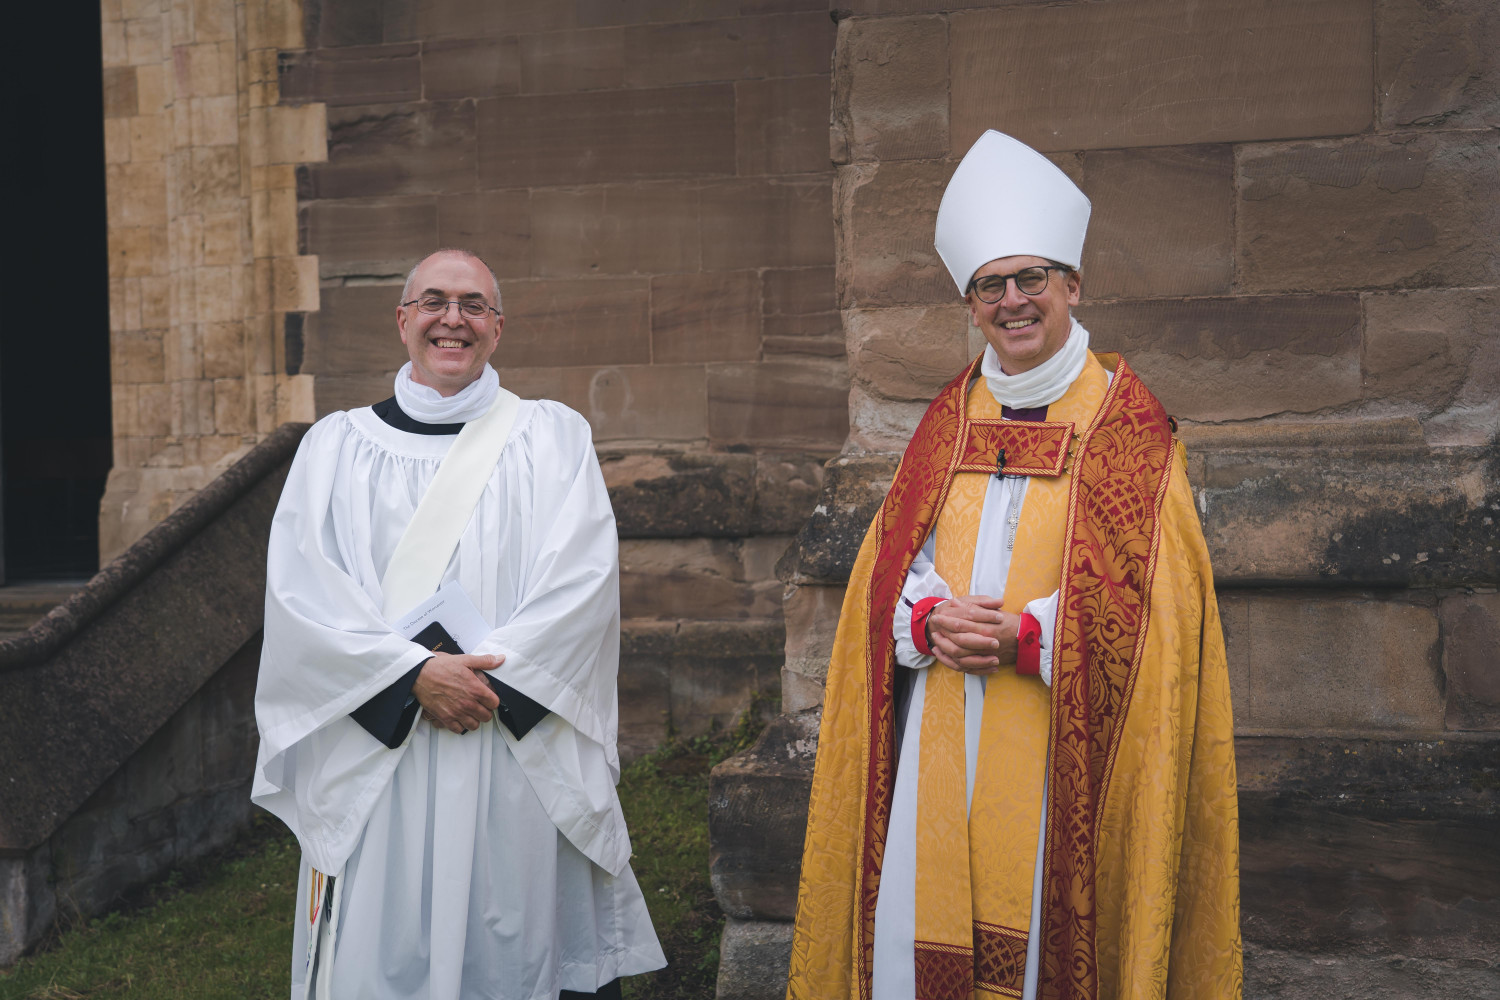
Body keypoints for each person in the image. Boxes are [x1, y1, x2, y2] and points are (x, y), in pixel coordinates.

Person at [787, 132, 1241, 999]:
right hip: (939, 730)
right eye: (990, 286)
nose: (1012, 301)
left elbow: (1163, 613)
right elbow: (887, 570)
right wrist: (924, 621)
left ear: (1074, 284)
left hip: (1062, 750)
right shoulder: (947, 419)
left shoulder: (1129, 430)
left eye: (1031, 278)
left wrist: (1033, 635)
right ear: (971, 304)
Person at [252, 248, 665, 999]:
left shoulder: (551, 437)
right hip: (382, 748)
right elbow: (302, 595)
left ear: (498, 328)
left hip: (504, 739)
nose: (453, 319)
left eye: (473, 305)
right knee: (380, 951)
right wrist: (412, 677)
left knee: (507, 945)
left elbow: (582, 583)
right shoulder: (335, 447)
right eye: (435, 302)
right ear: (403, 321)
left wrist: (476, 684)